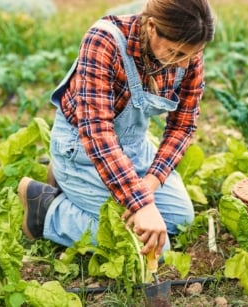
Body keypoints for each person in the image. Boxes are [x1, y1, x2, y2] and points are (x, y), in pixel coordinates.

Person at [17, 0, 215, 258]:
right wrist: (140, 204)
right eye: (176, 54)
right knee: (154, 248)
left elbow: (183, 126)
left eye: (192, 55)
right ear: (152, 27)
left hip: (134, 148)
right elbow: (97, 133)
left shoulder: (187, 50)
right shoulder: (103, 41)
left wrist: (149, 183)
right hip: (83, 151)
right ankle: (47, 210)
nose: (184, 64)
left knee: (179, 220)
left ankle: (76, 188)